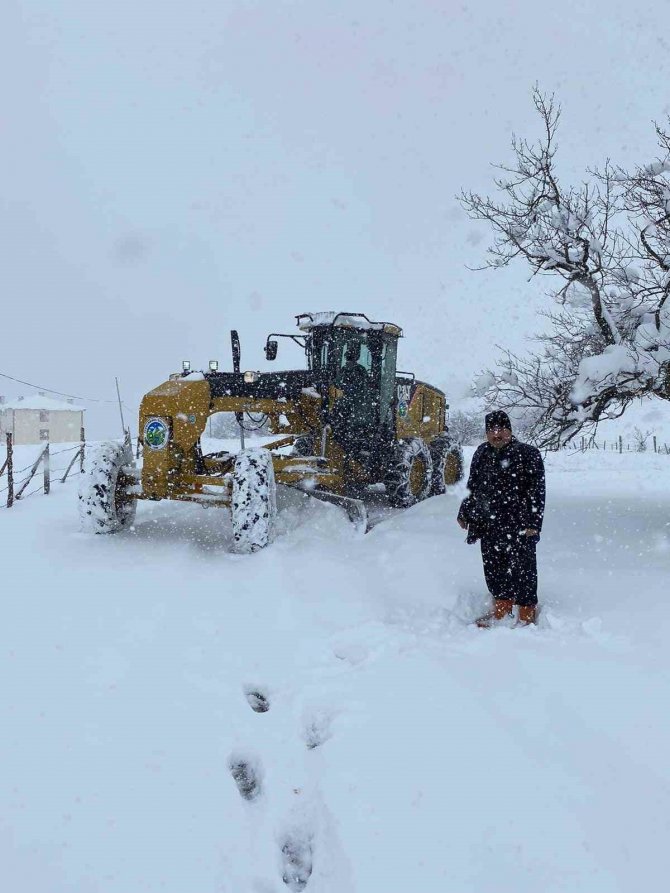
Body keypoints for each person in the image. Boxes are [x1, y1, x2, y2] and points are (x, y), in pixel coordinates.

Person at [457, 410, 545, 626]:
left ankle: (526, 613)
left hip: (519, 523)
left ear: (510, 431)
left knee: (523, 568)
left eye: (501, 429)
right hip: (488, 523)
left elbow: (537, 492)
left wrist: (534, 523)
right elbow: (473, 486)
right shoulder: (481, 453)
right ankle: (502, 609)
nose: (496, 434)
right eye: (491, 430)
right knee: (494, 566)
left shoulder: (528, 454)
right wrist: (465, 511)